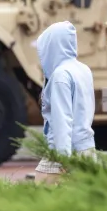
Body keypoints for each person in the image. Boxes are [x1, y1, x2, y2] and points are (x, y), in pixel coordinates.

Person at [34, 21, 97, 182]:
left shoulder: (60, 75)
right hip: (87, 149)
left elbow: (62, 119)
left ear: (52, 47)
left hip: (62, 151)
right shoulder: (84, 70)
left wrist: (63, 158)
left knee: (40, 193)